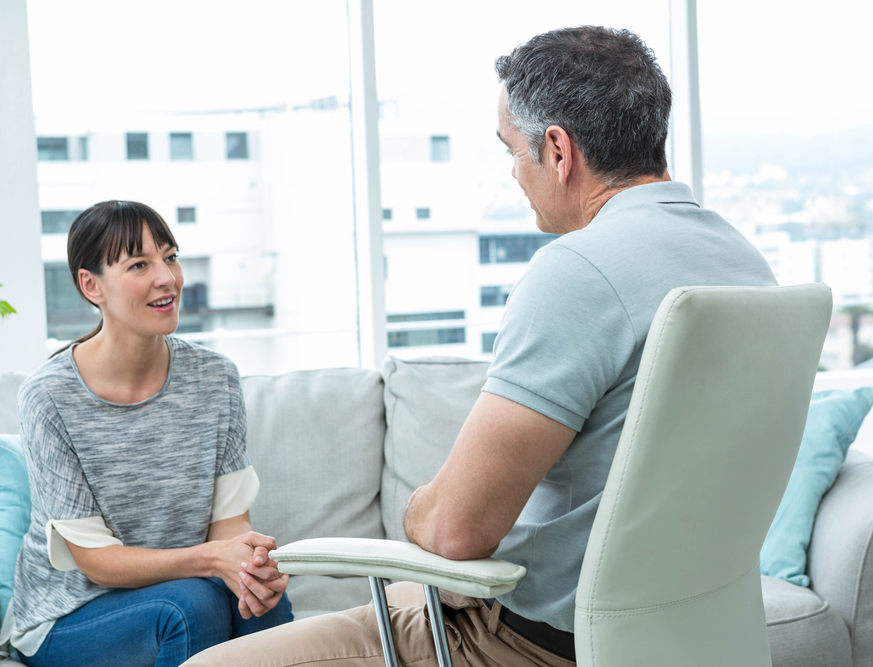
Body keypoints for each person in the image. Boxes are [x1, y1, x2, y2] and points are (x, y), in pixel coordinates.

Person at [182, 26, 777, 667]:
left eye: (512, 151)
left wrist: (416, 512)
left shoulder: (578, 272)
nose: (513, 174)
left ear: (558, 150)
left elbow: (453, 531)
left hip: (530, 643)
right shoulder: (746, 264)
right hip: (690, 636)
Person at [2, 200, 293, 667]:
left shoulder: (215, 377)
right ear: (90, 285)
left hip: (186, 590)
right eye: (140, 264)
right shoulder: (49, 397)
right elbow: (96, 560)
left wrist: (245, 565)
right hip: (71, 614)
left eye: (170, 257)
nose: (168, 278)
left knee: (261, 604)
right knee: (191, 606)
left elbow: (229, 520)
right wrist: (213, 560)